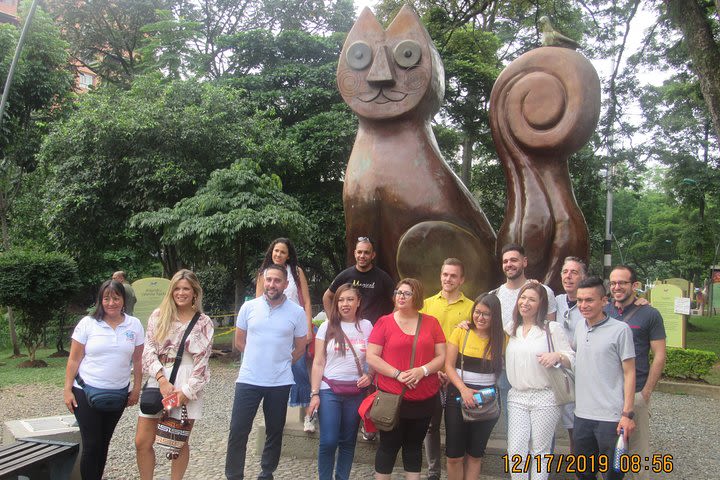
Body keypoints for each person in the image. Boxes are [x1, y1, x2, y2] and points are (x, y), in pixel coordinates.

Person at [226, 264, 308, 480]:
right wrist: (258, 359)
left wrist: (281, 362)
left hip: (279, 382)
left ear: (286, 284)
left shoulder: (297, 312)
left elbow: (301, 346)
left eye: (277, 280)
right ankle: (234, 475)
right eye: (268, 279)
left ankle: (267, 472)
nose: (272, 284)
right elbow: (240, 341)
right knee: (238, 431)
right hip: (248, 379)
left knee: (274, 431)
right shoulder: (248, 308)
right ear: (262, 281)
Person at [135, 269, 214, 480]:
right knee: (142, 441)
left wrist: (186, 392)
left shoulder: (203, 322)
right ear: (171, 291)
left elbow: (202, 362)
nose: (181, 293)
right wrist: (161, 380)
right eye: (177, 288)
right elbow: (149, 349)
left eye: (186, 288)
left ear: (194, 292)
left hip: (187, 380)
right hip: (159, 378)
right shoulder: (158, 315)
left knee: (178, 441)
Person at [366, 278, 446, 480]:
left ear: (416, 296)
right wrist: (397, 374)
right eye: (398, 292)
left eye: (406, 293)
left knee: (413, 447)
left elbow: (441, 356)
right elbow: (372, 356)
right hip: (392, 398)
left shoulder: (431, 323)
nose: (400, 296)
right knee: (388, 447)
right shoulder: (384, 322)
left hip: (423, 397)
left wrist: (423, 371)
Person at [64, 279, 144, 480]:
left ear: (123, 300)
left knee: (104, 443)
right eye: (106, 298)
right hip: (85, 391)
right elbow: (74, 359)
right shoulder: (88, 324)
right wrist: (67, 390)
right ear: (100, 300)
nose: (111, 303)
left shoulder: (133, 325)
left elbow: (138, 360)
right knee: (91, 445)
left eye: (115, 298)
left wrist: (136, 389)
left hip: (117, 394)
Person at [505, 283, 573, 480]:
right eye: (523, 297)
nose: (525, 303)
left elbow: (572, 357)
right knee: (516, 450)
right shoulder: (511, 328)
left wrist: (558, 356)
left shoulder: (551, 329)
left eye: (532, 299)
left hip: (545, 396)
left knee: (540, 451)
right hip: (516, 395)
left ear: (541, 304)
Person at [307, 284, 374, 480]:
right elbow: (318, 362)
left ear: (358, 302)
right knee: (328, 440)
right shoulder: (327, 326)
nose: (345, 304)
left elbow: (373, 358)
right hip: (329, 390)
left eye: (350, 299)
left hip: (356, 391)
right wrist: (315, 393)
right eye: (341, 300)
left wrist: (369, 375)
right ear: (336, 303)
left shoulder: (367, 326)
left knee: (348, 441)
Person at [606, 266, 666, 479]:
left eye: (622, 283)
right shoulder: (605, 312)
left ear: (634, 286)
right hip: (609, 394)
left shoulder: (650, 314)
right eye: (613, 283)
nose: (617, 287)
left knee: (637, 456)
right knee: (610, 452)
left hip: (637, 391)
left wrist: (647, 392)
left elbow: (659, 355)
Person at [574, 276, 636, 480]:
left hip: (611, 419)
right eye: (580, 300)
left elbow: (629, 372)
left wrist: (627, 414)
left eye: (589, 300)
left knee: (613, 474)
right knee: (584, 474)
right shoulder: (579, 327)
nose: (583, 305)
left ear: (604, 301)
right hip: (582, 416)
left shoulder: (620, 330)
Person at [420, 258, 474, 480]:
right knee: (430, 427)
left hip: (457, 377)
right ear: (440, 276)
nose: (448, 279)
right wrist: (434, 369)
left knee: (456, 427)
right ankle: (433, 471)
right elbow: (420, 339)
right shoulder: (427, 304)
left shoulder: (472, 307)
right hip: (431, 374)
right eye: (445, 274)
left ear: (462, 279)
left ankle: (458, 469)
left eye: (453, 275)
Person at [492, 244, 557, 428]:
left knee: (542, 434)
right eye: (505, 261)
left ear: (524, 262)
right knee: (514, 428)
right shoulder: (494, 295)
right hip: (507, 371)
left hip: (540, 371)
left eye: (514, 260)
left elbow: (551, 329)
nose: (509, 264)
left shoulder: (544, 292)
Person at [255, 238, 315, 431]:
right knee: (273, 373)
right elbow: (258, 304)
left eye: (282, 251)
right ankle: (274, 417)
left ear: (288, 255)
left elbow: (306, 301)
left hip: (295, 328)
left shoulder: (296, 272)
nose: (278, 254)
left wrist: (307, 329)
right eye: (275, 251)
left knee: (299, 370)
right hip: (273, 331)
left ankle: (309, 415)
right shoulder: (263, 274)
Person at [444, 293, 504, 480]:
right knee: (454, 455)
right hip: (458, 396)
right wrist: (464, 390)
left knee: (475, 454)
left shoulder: (503, 338)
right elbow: (448, 365)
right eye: (477, 312)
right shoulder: (462, 331)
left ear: (495, 316)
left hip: (487, 400)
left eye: (486, 314)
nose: (480, 317)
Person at [555, 256, 587, 453]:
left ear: (583, 277)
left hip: (585, 375)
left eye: (574, 272)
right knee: (572, 432)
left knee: (583, 431)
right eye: (565, 272)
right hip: (561, 374)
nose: (568, 276)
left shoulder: (593, 303)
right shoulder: (556, 301)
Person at [323, 237, 395, 325]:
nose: (362, 256)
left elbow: (398, 301)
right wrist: (333, 321)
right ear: (355, 253)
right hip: (349, 329)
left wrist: (390, 323)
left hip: (374, 331)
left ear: (373, 255)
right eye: (359, 252)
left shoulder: (383, 277)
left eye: (366, 253)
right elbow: (327, 297)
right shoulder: (345, 275)